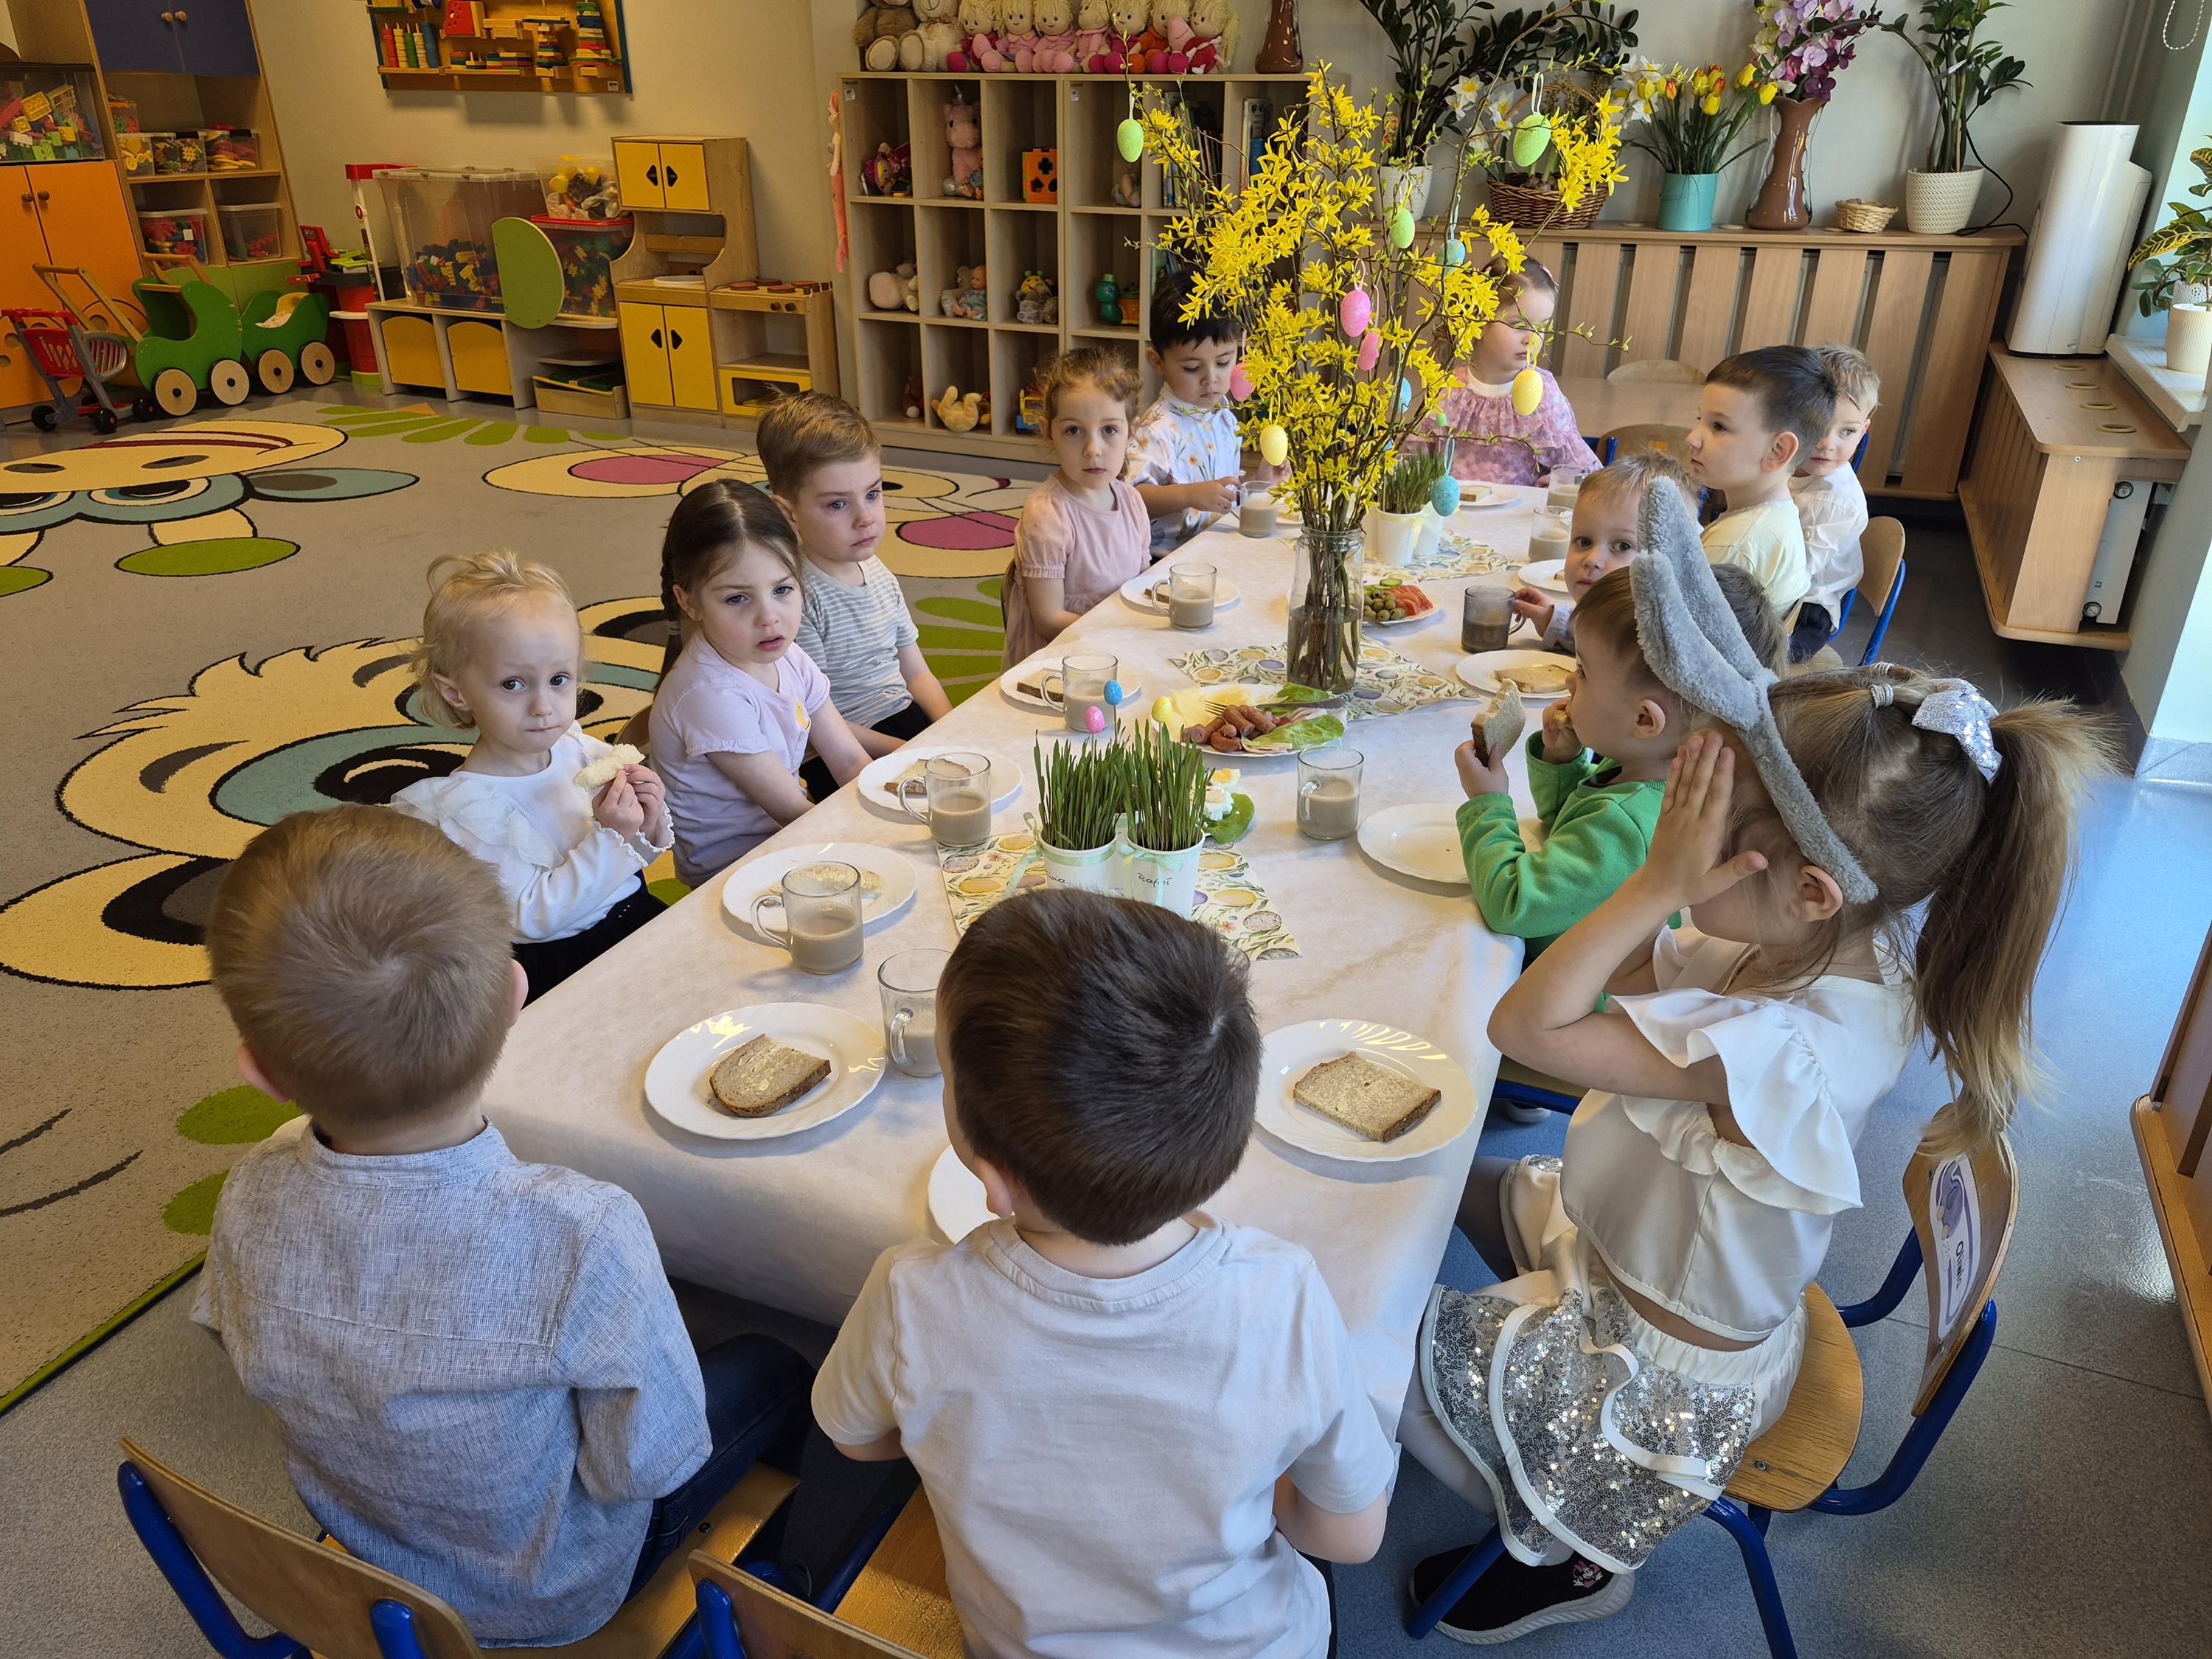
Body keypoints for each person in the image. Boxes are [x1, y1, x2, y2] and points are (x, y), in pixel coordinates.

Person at [1401, 488, 2107, 1644]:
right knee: (1441, 1192)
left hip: (1651, 1381)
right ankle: (1533, 1459)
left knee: (1366, 1335)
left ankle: (1578, 1545)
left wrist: (1652, 883)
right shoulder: (1835, 937)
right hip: (1631, 1263)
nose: (1687, 852)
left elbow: (1525, 1028)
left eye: (1716, 842)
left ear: (1810, 887)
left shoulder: (1786, 1047)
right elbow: (1642, 979)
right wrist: (1675, 889)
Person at [195, 807, 813, 1646]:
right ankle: (784, 1579)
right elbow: (648, 1466)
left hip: (371, 1560)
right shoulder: (583, 1228)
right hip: (563, 1589)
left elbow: (234, 1344)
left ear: (260, 1075)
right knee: (776, 1365)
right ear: (517, 997)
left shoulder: (249, 1189)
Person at [814, 888, 1397, 1659]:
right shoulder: (1284, 1294)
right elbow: (1350, 1536)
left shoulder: (909, 1297)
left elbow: (856, 1440)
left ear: (993, 1183)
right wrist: (1260, 1485)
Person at [1458, 562, 1782, 958]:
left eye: (1583, 671)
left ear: (1644, 720)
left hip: (1563, 986)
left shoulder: (1626, 825)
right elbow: (1570, 830)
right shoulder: (1645, 773)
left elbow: (1512, 903)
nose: (1569, 681)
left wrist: (1487, 804)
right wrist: (1563, 763)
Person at [392, 551, 670, 1002]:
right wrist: (610, 838)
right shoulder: (468, 810)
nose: (543, 706)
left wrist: (647, 821)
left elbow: (629, 865)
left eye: (559, 679)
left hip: (636, 916)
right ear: (456, 692)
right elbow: (535, 917)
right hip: (569, 964)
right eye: (513, 684)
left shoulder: (578, 749)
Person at [650, 481, 871, 886]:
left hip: (788, 843)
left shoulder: (787, 655)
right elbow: (793, 813)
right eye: (737, 598)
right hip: (735, 877)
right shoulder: (708, 695)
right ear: (689, 601)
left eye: (782, 589)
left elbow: (851, 763)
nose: (769, 617)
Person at [756, 392, 952, 801]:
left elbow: (915, 672)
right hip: (839, 749)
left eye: (873, 494)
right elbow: (812, 716)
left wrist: (950, 727)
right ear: (789, 513)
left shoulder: (879, 572)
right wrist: (905, 752)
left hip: (901, 719)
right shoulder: (795, 599)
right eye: (837, 504)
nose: (865, 518)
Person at [1002, 346, 1152, 667]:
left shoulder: (1132, 502)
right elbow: (1048, 620)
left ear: (1132, 433)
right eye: (1073, 431)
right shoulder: (1047, 513)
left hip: (1120, 649)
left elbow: (1139, 589)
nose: (1093, 449)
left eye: (1109, 430)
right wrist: (1120, 633)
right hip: (1060, 664)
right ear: (1048, 432)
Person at [1414, 257, 1600, 488]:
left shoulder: (1544, 395)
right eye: (1519, 325)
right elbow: (1413, 466)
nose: (1532, 339)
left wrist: (1548, 491)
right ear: (1478, 321)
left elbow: (1582, 472)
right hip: (1453, 512)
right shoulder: (1447, 392)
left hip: (1525, 511)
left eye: (1541, 327)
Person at [1686, 345, 1835, 619]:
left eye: (1719, 426)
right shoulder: (1773, 518)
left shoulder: (1736, 546)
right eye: (1700, 419)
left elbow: (1673, 634)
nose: (1692, 438)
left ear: (1777, 451)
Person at [1513, 449, 1700, 656]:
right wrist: (1552, 620)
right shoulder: (1620, 620)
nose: (1592, 560)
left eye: (1622, 546)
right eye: (1584, 542)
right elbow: (1602, 637)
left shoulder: (1664, 646)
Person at [1126, 267, 1246, 554]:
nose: (1211, 379)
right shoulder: (1155, 430)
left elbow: (1226, 493)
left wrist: (1261, 481)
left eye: (1223, 362)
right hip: (1165, 563)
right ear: (1157, 362)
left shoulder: (1225, 419)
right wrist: (1189, 494)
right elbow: (1131, 498)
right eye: (1192, 368)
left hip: (1215, 551)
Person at [1787, 344, 1879, 662]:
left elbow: (1797, 576)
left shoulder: (1835, 501)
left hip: (1807, 609)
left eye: (1847, 432)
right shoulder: (1786, 462)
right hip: (1775, 583)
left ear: (1863, 431)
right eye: (1817, 424)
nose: (1828, 444)